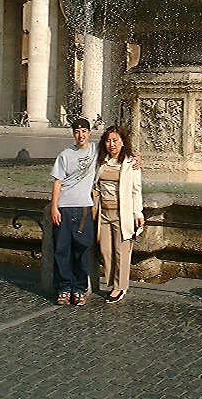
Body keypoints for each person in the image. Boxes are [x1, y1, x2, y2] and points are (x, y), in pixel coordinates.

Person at [50, 117, 97, 306]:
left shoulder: (96, 151)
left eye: (84, 131)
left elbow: (116, 147)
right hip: (64, 208)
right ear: (73, 134)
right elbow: (57, 182)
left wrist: (135, 157)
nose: (81, 135)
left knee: (82, 251)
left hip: (84, 208)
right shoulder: (65, 155)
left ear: (89, 133)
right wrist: (54, 207)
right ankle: (64, 288)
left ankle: (79, 289)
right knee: (62, 251)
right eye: (77, 132)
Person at [95, 125, 144, 304]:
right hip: (103, 212)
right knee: (105, 250)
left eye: (115, 140)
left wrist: (138, 213)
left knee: (121, 251)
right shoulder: (100, 160)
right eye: (108, 141)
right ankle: (112, 282)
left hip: (122, 213)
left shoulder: (131, 163)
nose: (112, 144)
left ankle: (119, 287)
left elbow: (136, 190)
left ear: (123, 142)